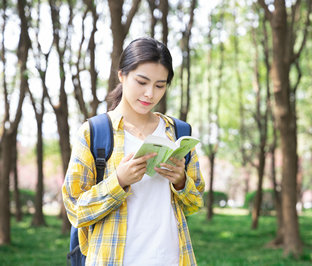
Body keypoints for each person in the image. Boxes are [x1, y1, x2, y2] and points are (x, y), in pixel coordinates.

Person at [62, 37, 205, 266]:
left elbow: (195, 203)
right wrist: (118, 181)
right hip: (113, 259)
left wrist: (180, 182)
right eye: (142, 82)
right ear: (122, 75)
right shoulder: (94, 132)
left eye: (160, 85)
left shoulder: (177, 132)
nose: (150, 93)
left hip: (171, 259)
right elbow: (76, 210)